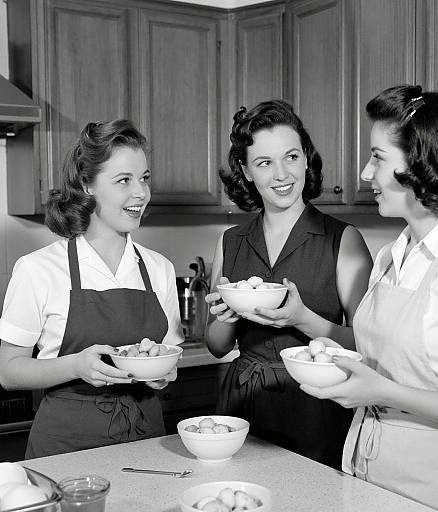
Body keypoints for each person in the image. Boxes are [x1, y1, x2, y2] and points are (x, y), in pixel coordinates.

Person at [301, 85, 438, 511]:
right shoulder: (389, 256)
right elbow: (386, 354)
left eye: (378, 157)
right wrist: (334, 356)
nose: (365, 173)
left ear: (420, 164)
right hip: (367, 474)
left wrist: (384, 392)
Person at [0, 119, 183, 458]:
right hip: (66, 450)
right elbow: (8, 370)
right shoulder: (39, 269)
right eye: (123, 180)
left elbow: (167, 355)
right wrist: (76, 366)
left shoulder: (159, 269)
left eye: (144, 178)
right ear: (87, 184)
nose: (140, 193)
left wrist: (163, 373)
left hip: (147, 441)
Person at [204, 99, 373, 468]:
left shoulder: (341, 240)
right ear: (247, 172)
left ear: (306, 159)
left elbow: (368, 343)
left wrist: (301, 319)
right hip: (242, 402)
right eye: (264, 163)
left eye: (291, 157)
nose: (282, 174)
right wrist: (226, 317)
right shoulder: (230, 241)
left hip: (316, 406)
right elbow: (217, 346)